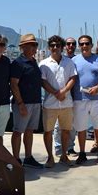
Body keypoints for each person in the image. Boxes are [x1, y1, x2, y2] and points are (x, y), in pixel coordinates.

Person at [39, 35, 77, 168]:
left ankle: (64, 155)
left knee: (66, 130)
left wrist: (64, 92)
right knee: (48, 131)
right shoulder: (43, 63)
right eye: (52, 45)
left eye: (58, 45)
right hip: (50, 104)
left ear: (62, 47)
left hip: (66, 103)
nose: (55, 48)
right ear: (49, 47)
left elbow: (73, 78)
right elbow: (42, 81)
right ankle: (50, 157)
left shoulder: (69, 62)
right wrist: (56, 93)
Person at [72, 35, 98, 165]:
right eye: (81, 44)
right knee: (81, 128)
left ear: (91, 45)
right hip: (79, 99)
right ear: (79, 46)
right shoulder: (74, 60)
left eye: (87, 43)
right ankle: (82, 154)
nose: (84, 46)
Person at [10, 33, 43, 169]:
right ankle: (16, 159)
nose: (35, 47)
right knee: (18, 132)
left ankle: (28, 158)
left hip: (35, 102)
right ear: (24, 47)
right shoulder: (18, 63)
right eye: (32, 45)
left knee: (30, 131)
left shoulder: (34, 61)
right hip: (23, 104)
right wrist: (20, 103)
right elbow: (13, 84)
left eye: (36, 45)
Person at [53, 36, 77, 156]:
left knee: (71, 125)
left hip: (73, 97)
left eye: (73, 44)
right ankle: (58, 148)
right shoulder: (59, 58)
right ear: (65, 46)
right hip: (57, 97)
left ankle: (70, 147)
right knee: (58, 126)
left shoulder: (77, 60)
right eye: (68, 44)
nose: (70, 46)